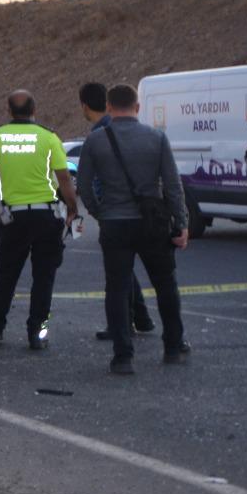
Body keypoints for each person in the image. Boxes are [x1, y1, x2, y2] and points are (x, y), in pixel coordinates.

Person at [77, 84, 190, 375]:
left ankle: (123, 356)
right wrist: (182, 222)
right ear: (138, 107)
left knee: (117, 288)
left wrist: (98, 211)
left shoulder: (96, 141)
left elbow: (84, 186)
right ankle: (174, 347)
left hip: (114, 222)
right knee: (165, 285)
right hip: (152, 223)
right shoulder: (156, 138)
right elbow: (173, 185)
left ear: (110, 107)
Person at [0, 91, 78, 350]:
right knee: (44, 278)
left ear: (9, 110)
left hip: (12, 217)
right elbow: (64, 178)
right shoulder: (49, 137)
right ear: (34, 109)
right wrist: (73, 207)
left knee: (6, 276)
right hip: (46, 215)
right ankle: (38, 332)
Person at [80, 81, 155, 342]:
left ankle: (125, 326)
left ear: (85, 106)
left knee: (118, 274)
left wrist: (97, 210)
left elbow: (86, 182)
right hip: (141, 209)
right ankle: (142, 318)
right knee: (131, 271)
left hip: (114, 210)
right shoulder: (146, 133)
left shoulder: (99, 133)